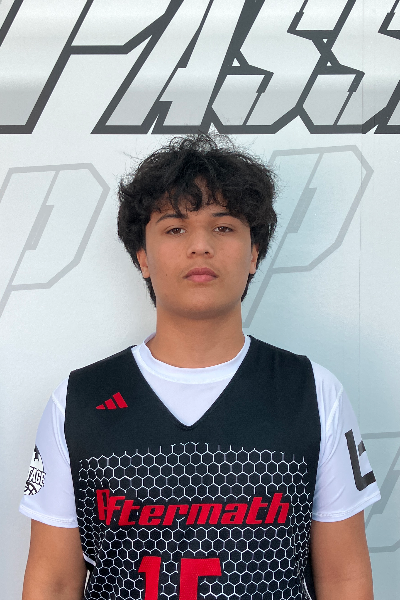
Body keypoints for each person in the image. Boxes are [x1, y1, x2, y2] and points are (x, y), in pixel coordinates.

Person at [20, 134, 380, 600]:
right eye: (175, 229)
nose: (200, 246)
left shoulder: (312, 392)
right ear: (142, 256)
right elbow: (53, 582)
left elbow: (344, 577)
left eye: (223, 227)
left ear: (254, 254)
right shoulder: (79, 401)